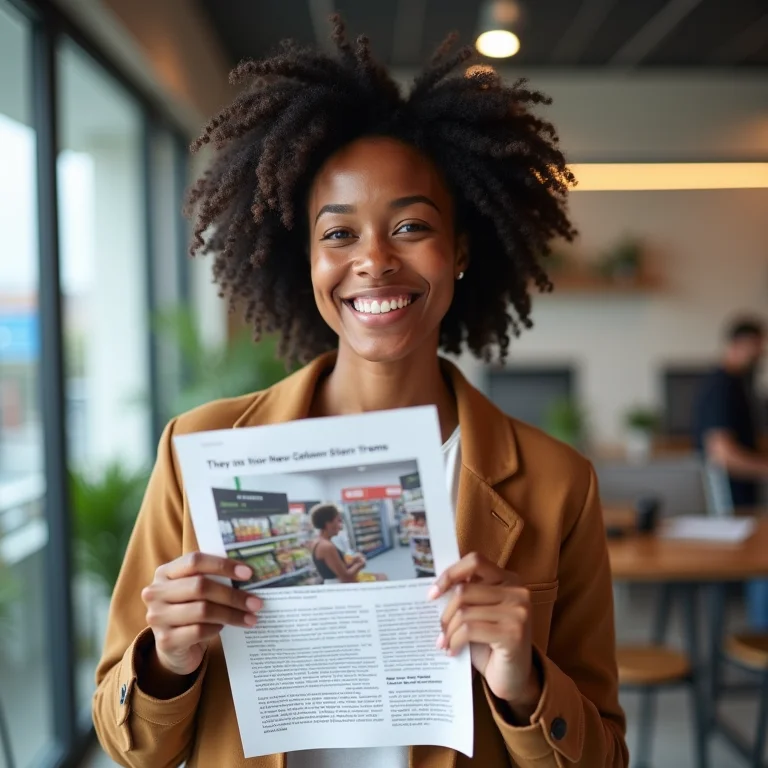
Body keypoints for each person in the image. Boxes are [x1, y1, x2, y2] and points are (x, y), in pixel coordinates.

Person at [92, 17, 627, 768]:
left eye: (410, 225)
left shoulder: (556, 484)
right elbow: (132, 749)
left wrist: (523, 680)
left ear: (461, 250)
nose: (374, 261)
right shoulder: (197, 454)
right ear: (304, 258)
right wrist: (168, 660)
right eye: (338, 235)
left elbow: (604, 755)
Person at [693, 315, 767, 627]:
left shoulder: (740, 385)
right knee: (762, 567)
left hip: (746, 501)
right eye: (758, 347)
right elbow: (722, 454)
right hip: (732, 506)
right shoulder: (721, 386)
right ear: (741, 344)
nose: (761, 354)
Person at [309, 503, 366, 583]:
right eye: (338, 521)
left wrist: (353, 562)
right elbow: (346, 577)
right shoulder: (327, 546)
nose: (340, 526)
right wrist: (360, 564)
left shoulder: (318, 542)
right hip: (338, 587)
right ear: (328, 523)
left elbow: (335, 570)